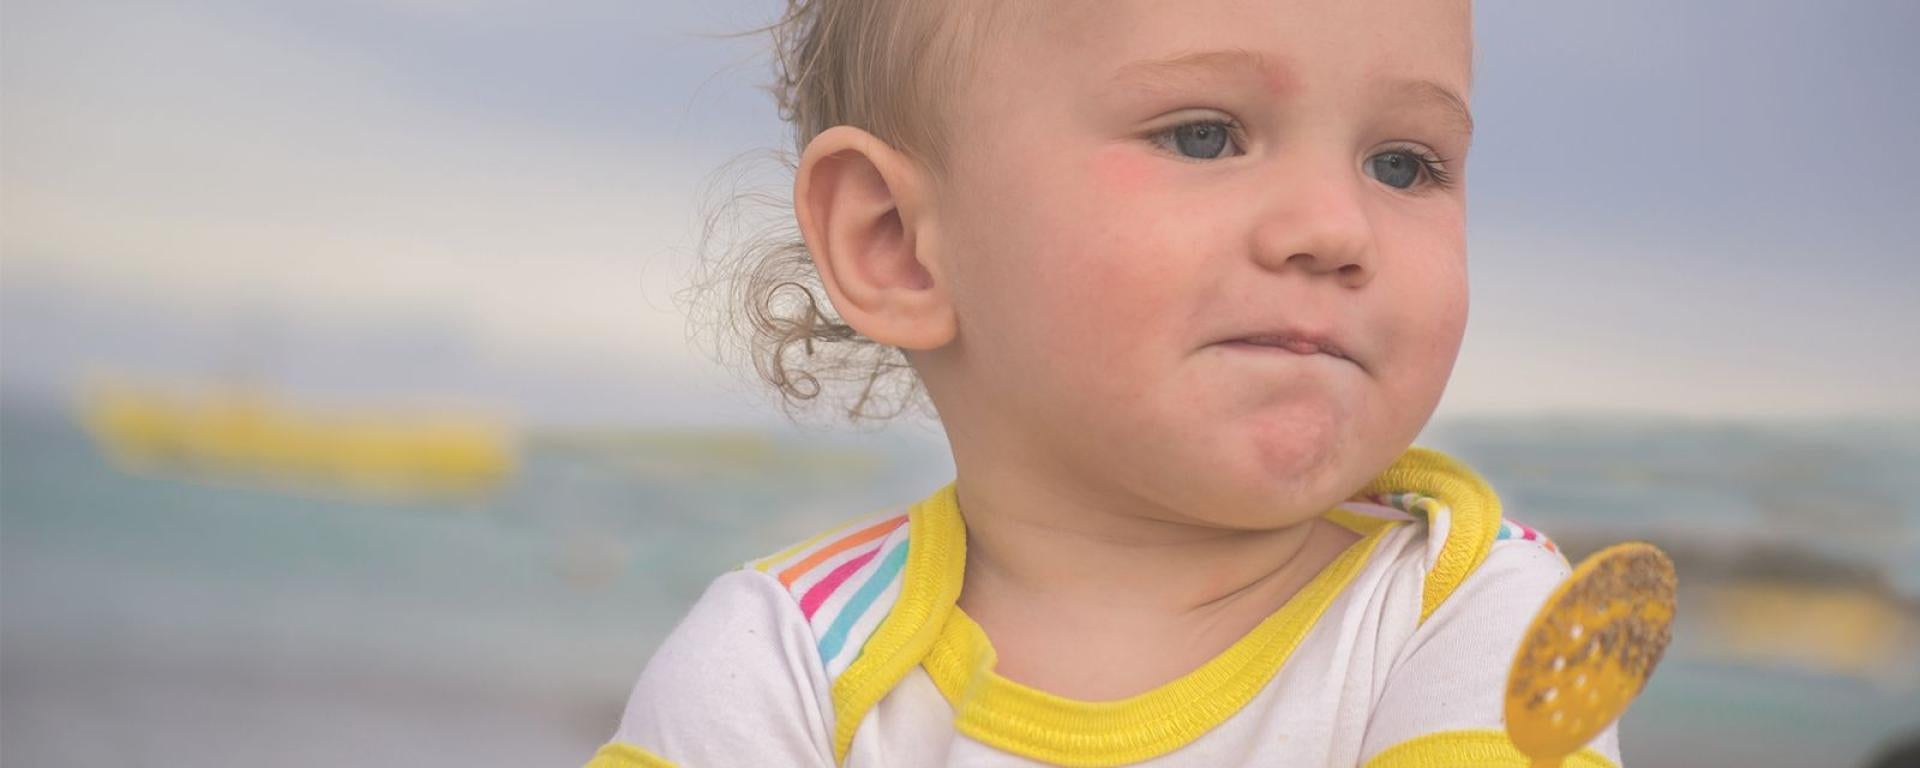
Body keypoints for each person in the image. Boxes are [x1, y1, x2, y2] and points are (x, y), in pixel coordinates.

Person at [588, 0, 1619, 765]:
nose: (1335, 229)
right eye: (1204, 135)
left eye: (1403, 164)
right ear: (897, 243)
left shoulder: (1482, 613)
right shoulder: (780, 669)